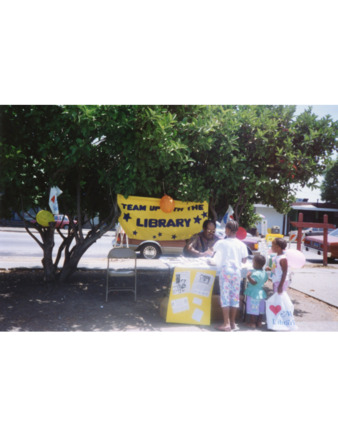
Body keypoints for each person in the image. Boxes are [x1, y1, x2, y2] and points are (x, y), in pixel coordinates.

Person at [208, 220, 247, 331]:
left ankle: (226, 323)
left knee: (225, 297)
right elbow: (244, 261)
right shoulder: (241, 244)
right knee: (234, 297)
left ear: (228, 230)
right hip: (236, 273)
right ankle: (233, 322)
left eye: (225, 229)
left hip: (225, 272)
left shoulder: (221, 243)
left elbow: (212, 252)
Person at [244, 254, 268, 329]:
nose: (252, 264)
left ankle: (252, 323)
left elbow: (254, 282)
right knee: (261, 309)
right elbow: (265, 280)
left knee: (253, 308)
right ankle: (259, 322)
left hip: (254, 293)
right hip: (261, 293)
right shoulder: (264, 272)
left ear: (256, 264)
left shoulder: (255, 273)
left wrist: (248, 277)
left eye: (253, 262)